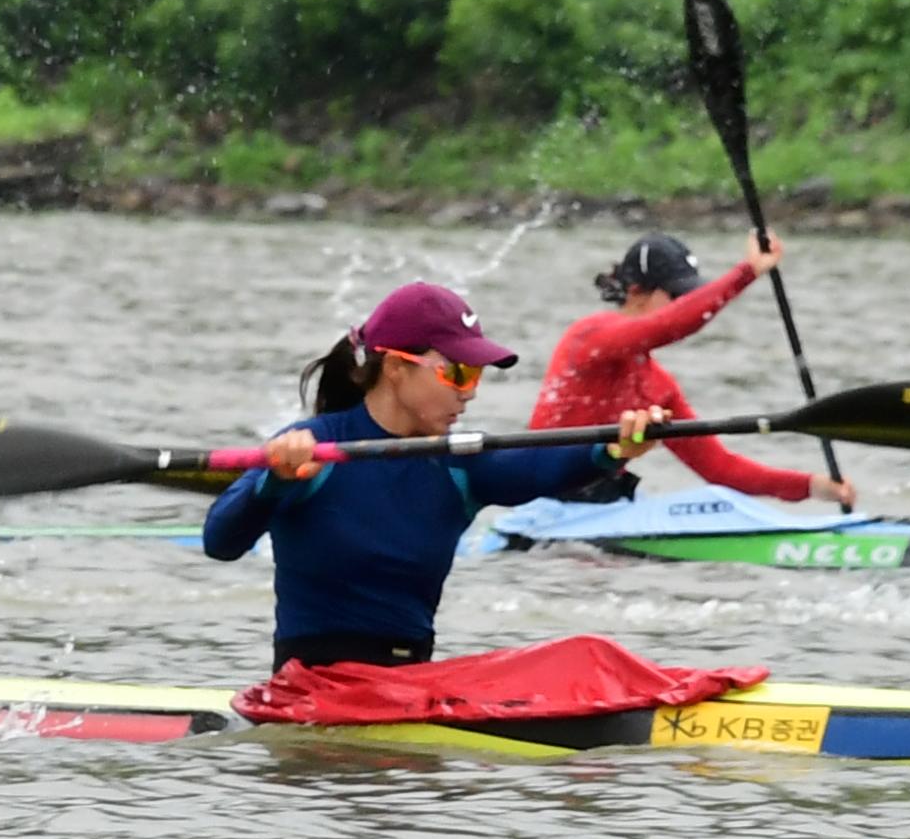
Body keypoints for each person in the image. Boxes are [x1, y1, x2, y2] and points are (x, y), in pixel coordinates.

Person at [202, 281, 661, 669]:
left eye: (477, 375)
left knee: (586, 655)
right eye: (458, 373)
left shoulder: (458, 462)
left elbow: (540, 466)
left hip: (411, 683)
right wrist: (276, 481)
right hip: (312, 687)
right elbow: (220, 542)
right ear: (398, 367)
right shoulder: (312, 447)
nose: (470, 394)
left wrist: (616, 448)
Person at [532, 229, 855, 509]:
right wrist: (748, 271)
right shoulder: (589, 337)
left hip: (603, 505)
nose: (686, 303)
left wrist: (813, 486)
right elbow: (669, 325)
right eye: (678, 295)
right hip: (541, 501)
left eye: (691, 296)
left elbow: (720, 469)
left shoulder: (657, 388)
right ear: (635, 293)